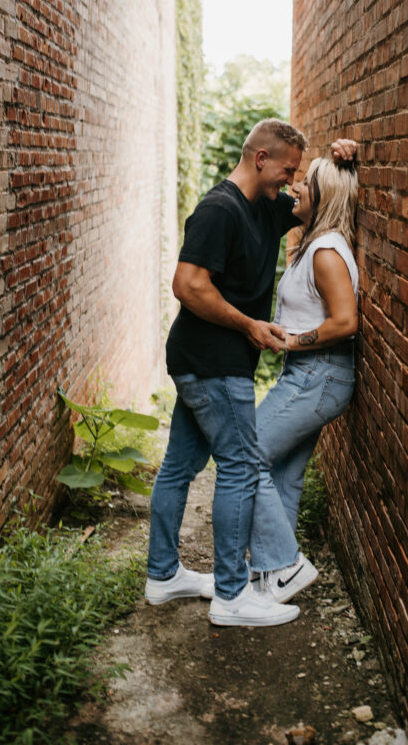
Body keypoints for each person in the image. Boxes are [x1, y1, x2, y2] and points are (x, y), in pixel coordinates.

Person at [145, 118, 356, 627]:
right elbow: (188, 286)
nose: (291, 180)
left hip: (208, 361)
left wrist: (342, 157)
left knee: (179, 466)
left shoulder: (268, 207)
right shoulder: (220, 210)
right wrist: (249, 326)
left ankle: (163, 575)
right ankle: (233, 597)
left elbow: (320, 199)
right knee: (241, 467)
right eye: (287, 169)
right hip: (214, 363)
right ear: (260, 159)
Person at [248, 155, 358, 602]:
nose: (295, 189)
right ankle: (272, 576)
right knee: (283, 475)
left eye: (305, 185)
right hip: (313, 376)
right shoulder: (315, 243)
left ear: (323, 196)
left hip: (319, 376)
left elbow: (346, 322)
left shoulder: (327, 251)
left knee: (244, 454)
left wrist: (291, 342)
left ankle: (287, 564)